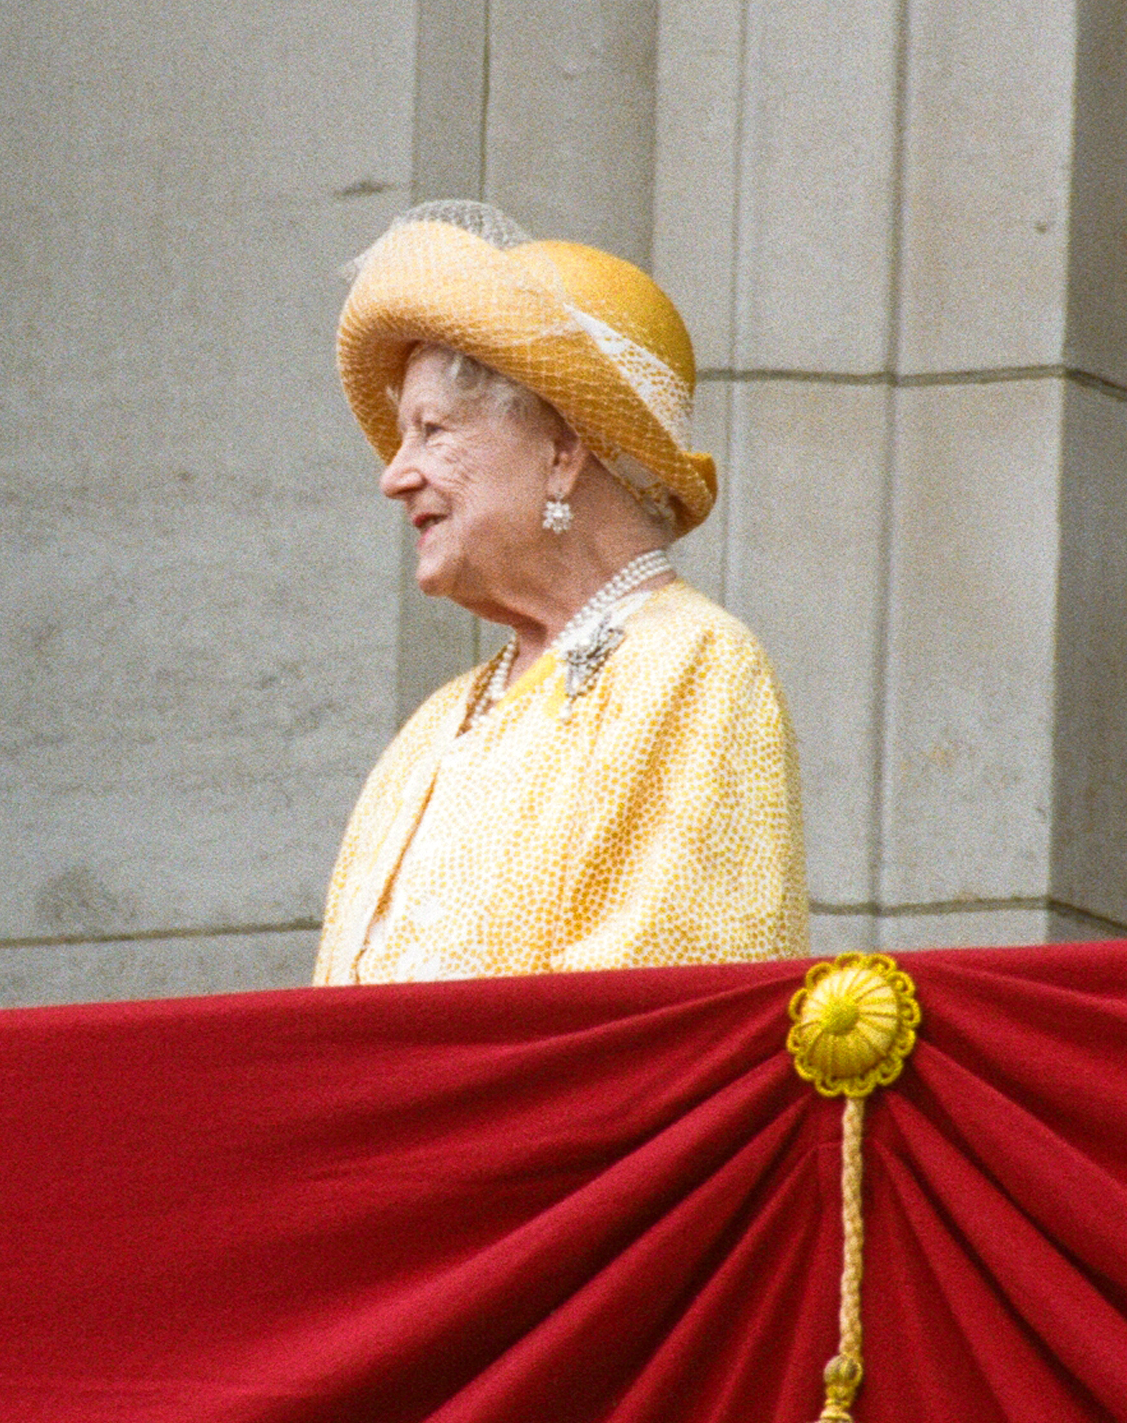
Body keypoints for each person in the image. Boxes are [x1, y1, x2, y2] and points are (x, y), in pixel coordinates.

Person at [315, 202, 806, 981]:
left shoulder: (696, 667)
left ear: (562, 452)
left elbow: (663, 1007)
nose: (393, 475)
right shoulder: (431, 729)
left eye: (432, 431)